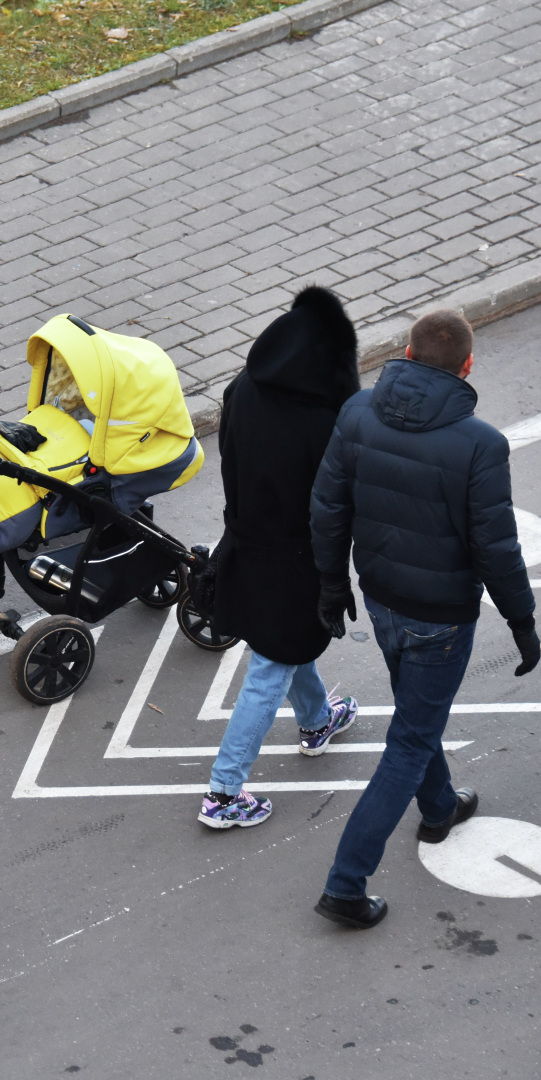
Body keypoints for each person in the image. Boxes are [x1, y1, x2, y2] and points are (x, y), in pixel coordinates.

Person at [308, 308, 541, 928]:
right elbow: (496, 545)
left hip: (380, 597)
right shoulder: (480, 444)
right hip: (441, 617)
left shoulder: (357, 412)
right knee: (409, 740)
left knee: (416, 711)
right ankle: (345, 883)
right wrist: (521, 620)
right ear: (467, 366)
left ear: (406, 352)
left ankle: (438, 806)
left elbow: (327, 506)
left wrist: (331, 584)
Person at [199, 287, 364, 830]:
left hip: (246, 543)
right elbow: (334, 504)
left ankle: (317, 720)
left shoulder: (242, 389)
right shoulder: (326, 419)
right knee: (271, 665)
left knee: (286, 642)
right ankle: (224, 791)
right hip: (296, 559)